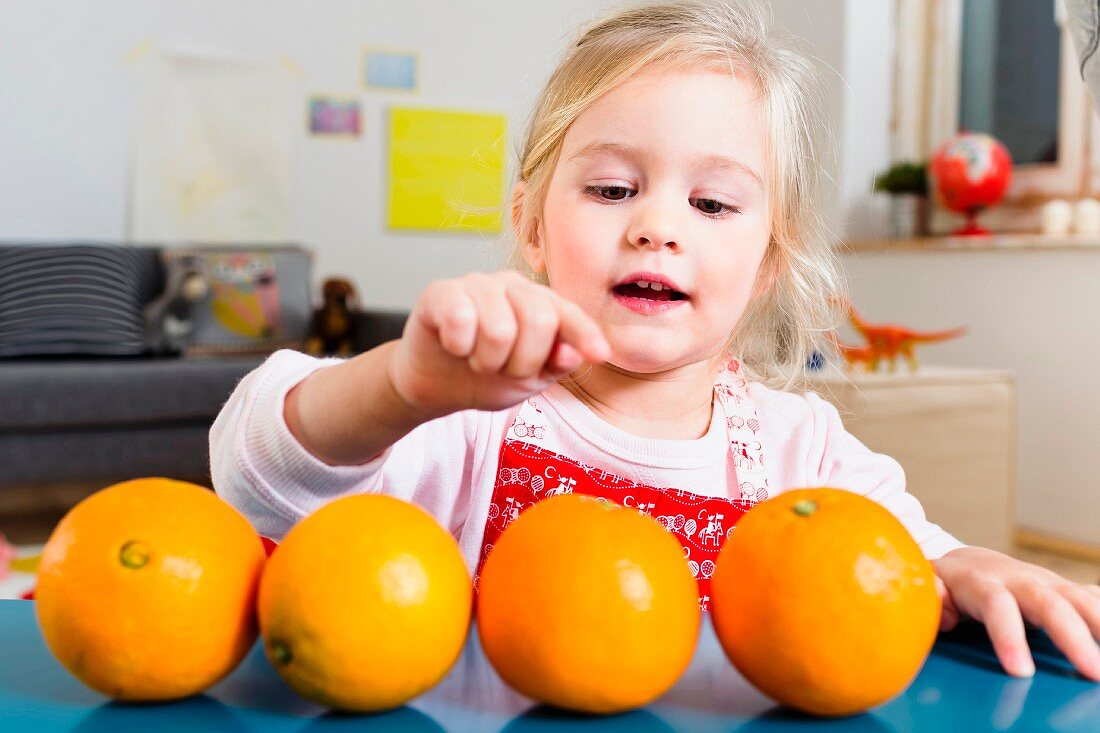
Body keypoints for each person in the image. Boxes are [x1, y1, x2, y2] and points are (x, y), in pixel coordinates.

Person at [211, 0, 1100, 683]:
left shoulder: (804, 454)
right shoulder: (462, 420)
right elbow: (254, 469)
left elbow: (907, 563)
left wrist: (963, 564)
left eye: (712, 204)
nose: (657, 227)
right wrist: (403, 384)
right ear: (531, 224)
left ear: (764, 263)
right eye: (609, 189)